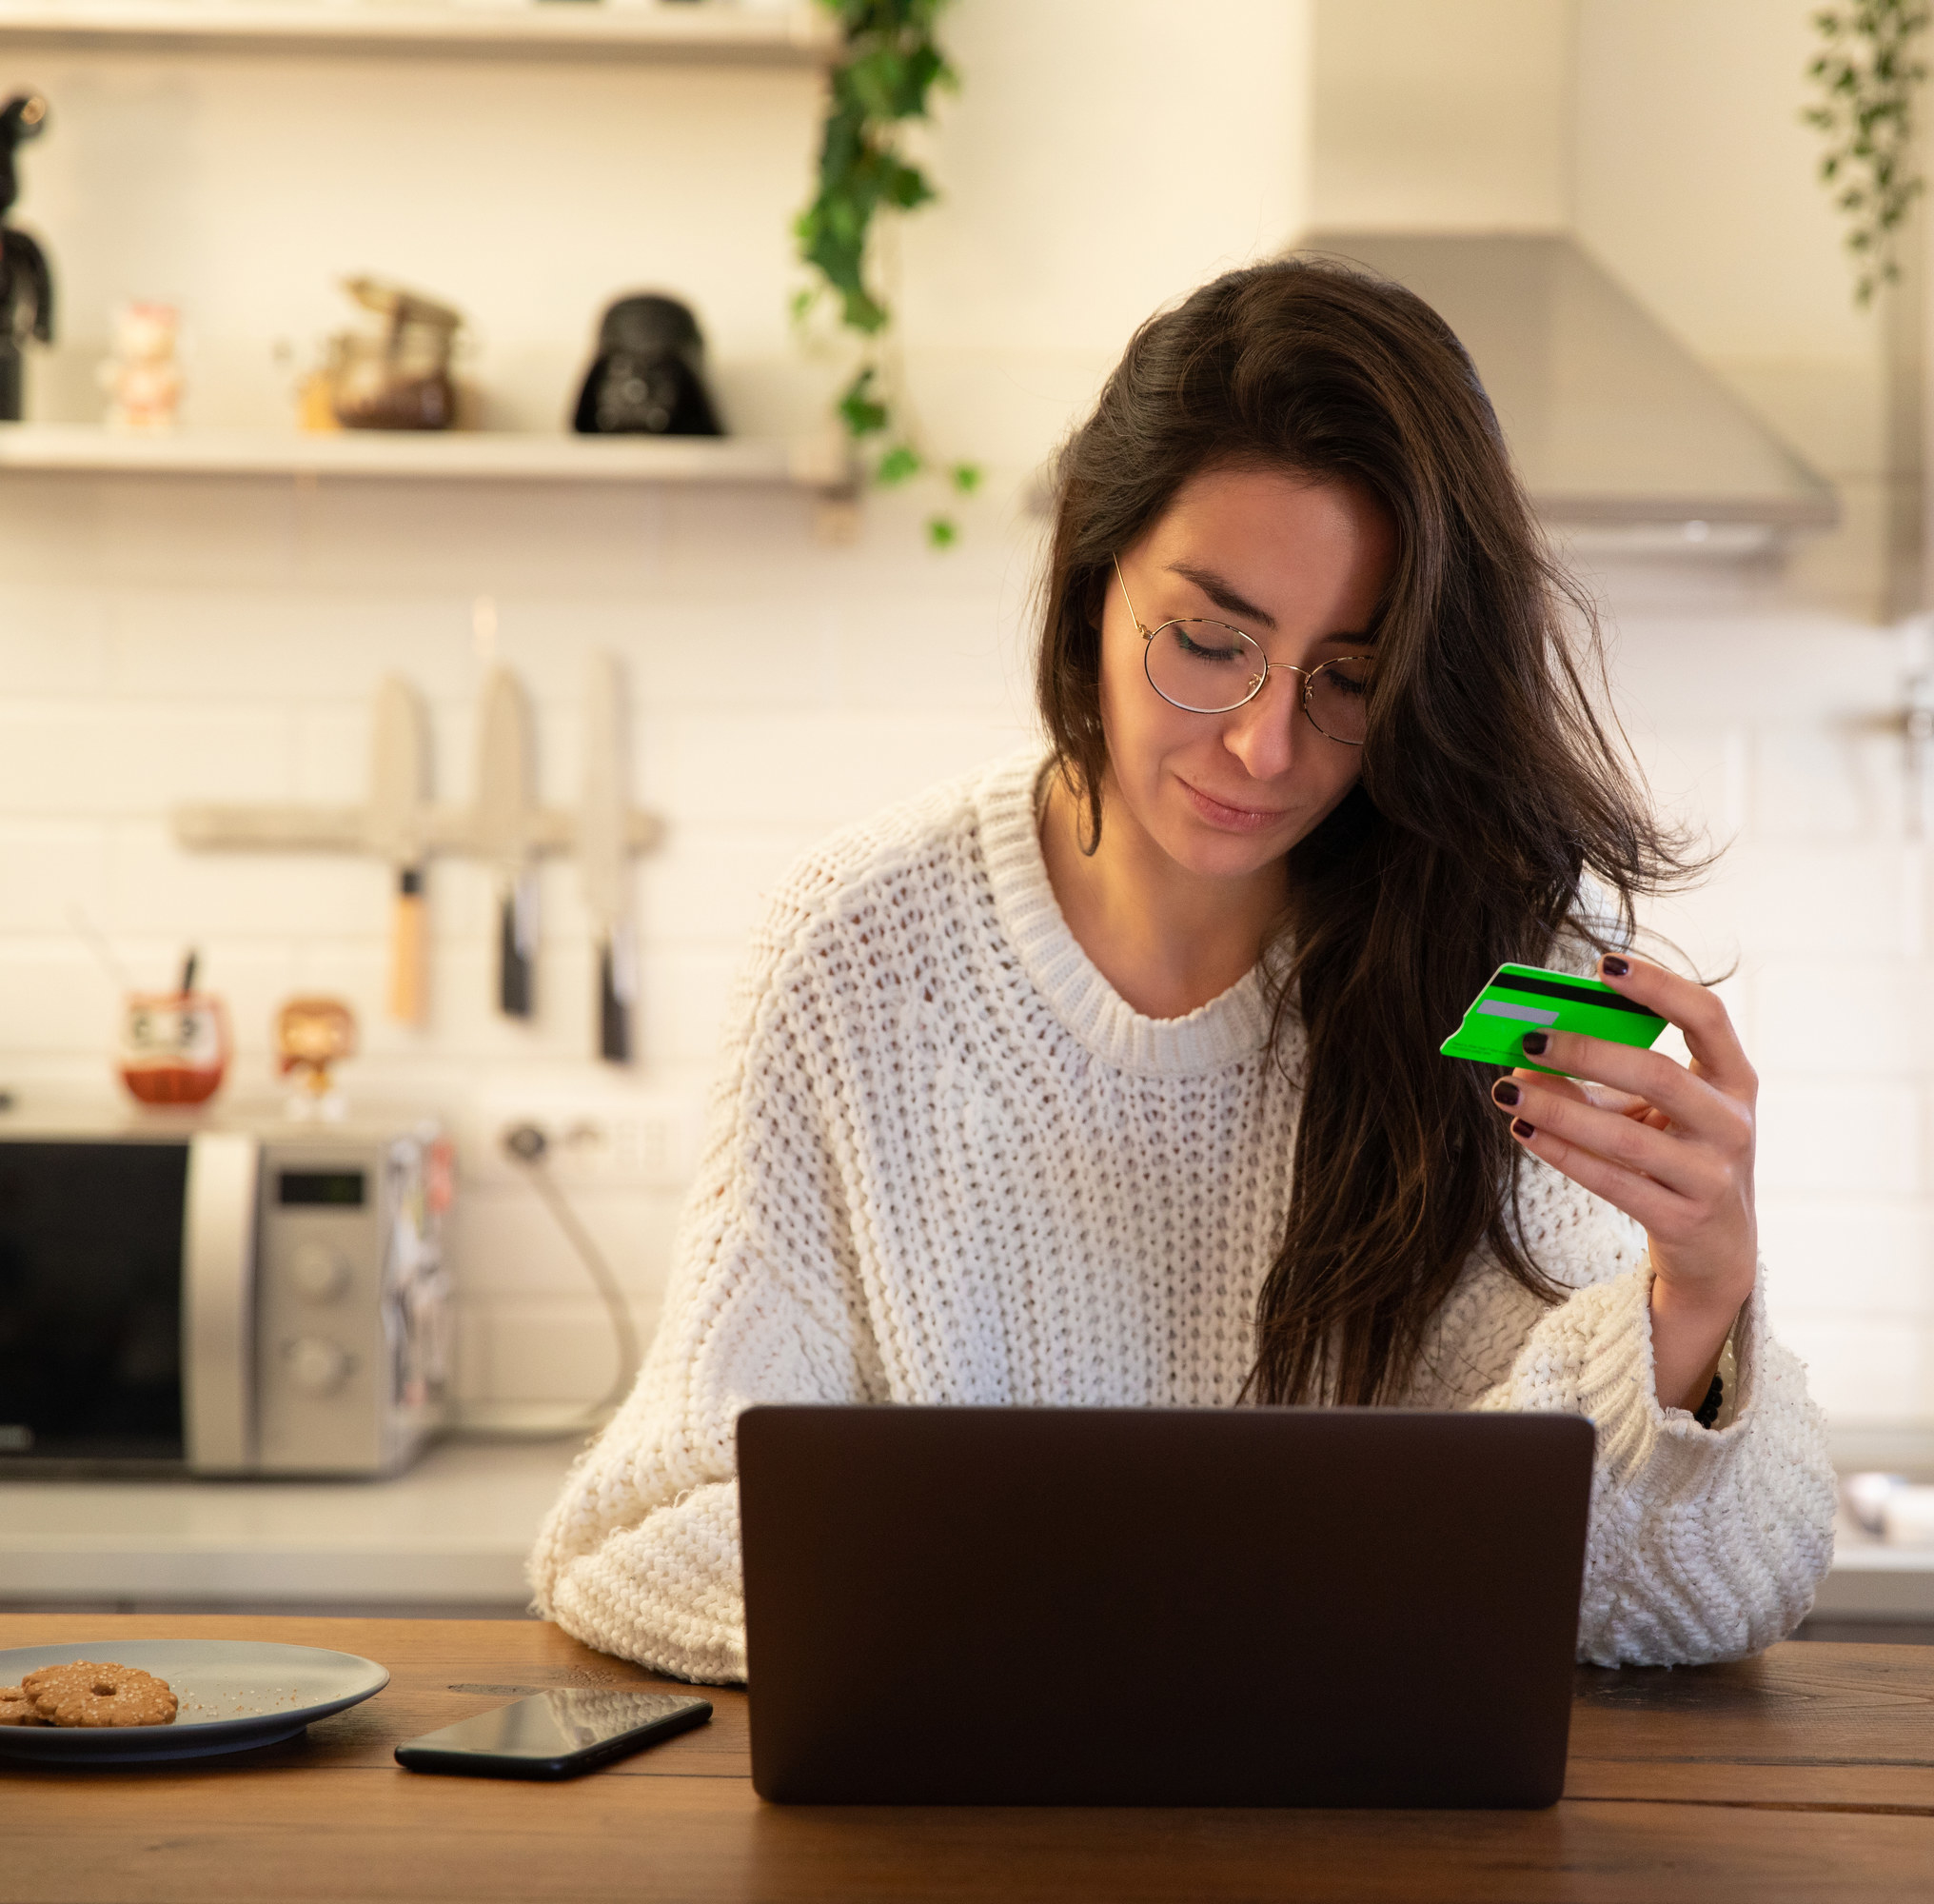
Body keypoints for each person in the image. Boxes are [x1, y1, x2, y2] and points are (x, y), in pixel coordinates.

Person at [528, 258, 1834, 1683]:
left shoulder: (1501, 975)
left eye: (1350, 677)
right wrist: (1138, 1612)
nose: (1266, 750)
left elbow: (1711, 1597)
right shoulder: (856, 958)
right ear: (1091, 579)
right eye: (1210, 643)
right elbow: (636, 1536)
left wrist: (1693, 1315)